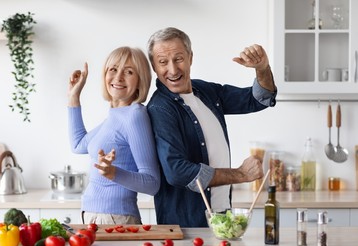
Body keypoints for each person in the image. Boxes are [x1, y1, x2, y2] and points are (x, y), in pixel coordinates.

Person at [146, 27, 277, 227]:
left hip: (221, 215)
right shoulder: (161, 108)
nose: (172, 70)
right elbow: (177, 171)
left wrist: (262, 68)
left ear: (190, 57)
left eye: (179, 58)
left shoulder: (205, 91)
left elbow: (258, 99)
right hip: (187, 224)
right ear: (154, 66)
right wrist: (240, 174)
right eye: (163, 62)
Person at [67, 46, 160, 225]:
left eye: (129, 72)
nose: (118, 78)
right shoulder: (116, 115)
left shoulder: (134, 115)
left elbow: (152, 183)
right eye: (113, 69)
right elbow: (78, 145)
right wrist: (74, 97)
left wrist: (113, 173)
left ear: (141, 80)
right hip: (94, 216)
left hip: (115, 218)